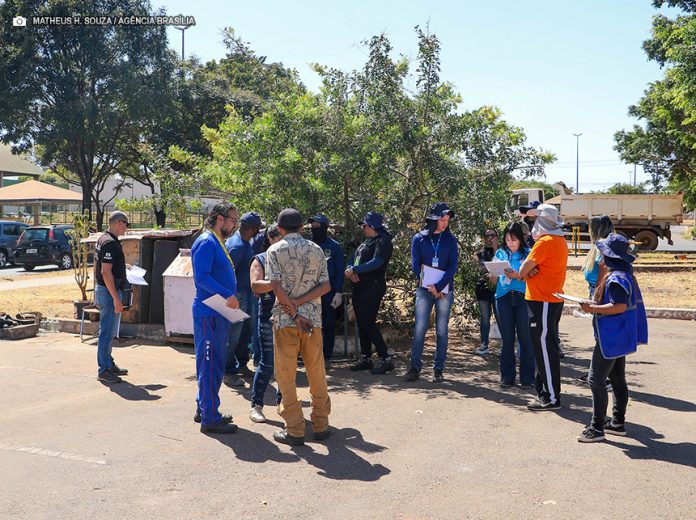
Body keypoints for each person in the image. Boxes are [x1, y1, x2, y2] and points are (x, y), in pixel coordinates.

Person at [267, 208, 332, 446]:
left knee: (286, 375)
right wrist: (302, 303)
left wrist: (293, 309)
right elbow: (325, 286)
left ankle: (294, 428)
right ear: (302, 227)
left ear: (280, 228)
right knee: (317, 372)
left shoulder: (274, 250)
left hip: (286, 321)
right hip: (313, 320)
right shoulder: (316, 250)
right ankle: (321, 423)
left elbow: (275, 286)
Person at [577, 234, 648, 442]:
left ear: (609, 256)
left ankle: (596, 428)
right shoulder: (624, 273)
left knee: (595, 379)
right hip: (620, 335)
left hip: (612, 336)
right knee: (617, 379)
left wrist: (592, 308)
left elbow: (619, 306)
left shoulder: (616, 277)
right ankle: (617, 422)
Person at [191, 202, 240, 434]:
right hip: (209, 312)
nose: (234, 225)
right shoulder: (206, 241)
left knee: (214, 363)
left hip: (218, 312)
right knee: (210, 364)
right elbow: (201, 278)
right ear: (220, 219)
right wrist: (227, 293)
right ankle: (210, 417)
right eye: (232, 220)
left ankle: (205, 407)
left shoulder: (216, 241)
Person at [519, 204, 569, 411]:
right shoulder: (558, 240)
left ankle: (551, 397)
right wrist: (531, 270)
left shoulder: (546, 242)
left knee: (546, 351)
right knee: (544, 349)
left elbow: (523, 270)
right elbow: (529, 270)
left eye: (535, 219)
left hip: (544, 301)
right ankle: (544, 392)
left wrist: (529, 270)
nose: (532, 223)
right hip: (547, 300)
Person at [405, 202, 458, 383]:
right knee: (420, 328)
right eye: (442, 220)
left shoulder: (450, 240)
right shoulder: (419, 238)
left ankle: (438, 369)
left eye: (447, 220)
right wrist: (430, 286)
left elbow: (453, 266)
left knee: (442, 330)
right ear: (434, 219)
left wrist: (440, 287)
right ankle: (414, 367)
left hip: (444, 291)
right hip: (424, 289)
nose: (445, 223)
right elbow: (415, 265)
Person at [346, 211, 395, 375]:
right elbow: (353, 258)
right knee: (361, 323)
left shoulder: (383, 241)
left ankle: (385, 358)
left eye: (364, 225)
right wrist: (350, 270)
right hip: (359, 287)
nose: (362, 228)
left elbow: (377, 262)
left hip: (373, 287)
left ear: (372, 226)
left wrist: (355, 269)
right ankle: (366, 358)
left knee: (368, 322)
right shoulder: (366, 242)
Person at [492, 222, 535, 387]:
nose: (510, 242)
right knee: (507, 339)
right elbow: (494, 280)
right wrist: (493, 272)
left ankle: (528, 378)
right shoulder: (501, 253)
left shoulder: (528, 253)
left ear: (521, 239)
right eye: (508, 239)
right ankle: (507, 377)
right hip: (503, 297)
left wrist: (517, 276)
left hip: (523, 298)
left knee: (525, 339)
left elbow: (534, 276)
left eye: (514, 239)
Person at [248, 224, 283, 423]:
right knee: (268, 363)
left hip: (289, 318)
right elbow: (255, 285)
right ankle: (256, 405)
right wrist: (276, 283)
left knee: (285, 366)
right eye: (278, 237)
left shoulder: (290, 258)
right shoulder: (260, 259)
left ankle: (283, 406)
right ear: (270, 239)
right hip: (268, 317)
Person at [224, 211, 264, 385]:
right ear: (252, 229)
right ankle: (227, 371)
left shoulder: (244, 242)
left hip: (245, 294)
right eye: (257, 228)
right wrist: (231, 296)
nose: (259, 232)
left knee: (245, 333)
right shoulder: (237, 246)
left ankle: (241, 364)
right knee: (233, 335)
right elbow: (227, 272)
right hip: (238, 295)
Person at [578, 215, 615, 384]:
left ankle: (601, 376)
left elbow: (602, 278)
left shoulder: (602, 248)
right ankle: (601, 373)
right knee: (600, 335)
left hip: (599, 293)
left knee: (600, 335)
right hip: (595, 292)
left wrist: (595, 301)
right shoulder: (601, 247)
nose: (589, 231)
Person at [95, 210, 131, 384]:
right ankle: (103, 369)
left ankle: (108, 364)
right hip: (109, 291)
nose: (127, 228)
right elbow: (105, 272)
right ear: (119, 223)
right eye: (126, 224)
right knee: (107, 332)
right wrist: (116, 298)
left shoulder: (103, 239)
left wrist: (124, 265)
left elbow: (103, 264)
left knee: (109, 331)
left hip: (106, 290)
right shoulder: (110, 243)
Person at [308, 214, 345, 366]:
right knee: (310, 324)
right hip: (309, 292)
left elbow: (339, 270)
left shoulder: (334, 246)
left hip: (329, 292)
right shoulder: (307, 245)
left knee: (328, 325)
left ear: (325, 227)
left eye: (317, 226)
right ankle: (310, 356)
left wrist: (338, 291)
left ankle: (326, 357)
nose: (314, 229)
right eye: (312, 226)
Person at [474, 228, 501, 356]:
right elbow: (481, 269)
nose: (490, 238)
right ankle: (484, 344)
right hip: (482, 289)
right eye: (487, 235)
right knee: (485, 318)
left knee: (500, 317)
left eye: (493, 235)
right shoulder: (479, 253)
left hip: (497, 289)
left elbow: (499, 267)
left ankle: (505, 345)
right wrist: (489, 269)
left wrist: (496, 249)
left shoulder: (501, 252)